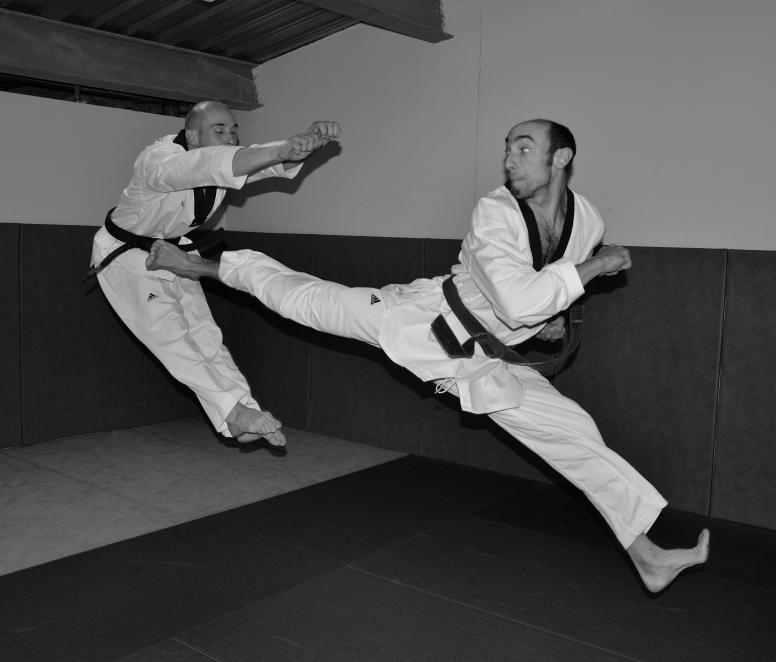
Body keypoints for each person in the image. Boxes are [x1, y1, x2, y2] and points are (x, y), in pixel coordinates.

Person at [145, 118, 710, 593]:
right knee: (309, 301)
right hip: (421, 322)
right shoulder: (495, 210)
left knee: (574, 430)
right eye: (507, 149)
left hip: (485, 361)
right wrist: (594, 268)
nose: (508, 160)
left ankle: (647, 555)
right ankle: (198, 264)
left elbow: (538, 297)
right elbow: (518, 299)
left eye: (523, 149)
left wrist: (551, 319)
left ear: (560, 158)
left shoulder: (587, 222)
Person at [90, 100, 341, 447]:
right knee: (170, 335)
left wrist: (306, 145)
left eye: (233, 129)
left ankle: (240, 413)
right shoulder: (159, 160)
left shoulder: (219, 158)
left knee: (205, 334)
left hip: (174, 251)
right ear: (192, 135)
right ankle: (233, 411)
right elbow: (202, 167)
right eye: (219, 130)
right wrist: (279, 149)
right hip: (128, 257)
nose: (229, 136)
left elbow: (262, 164)